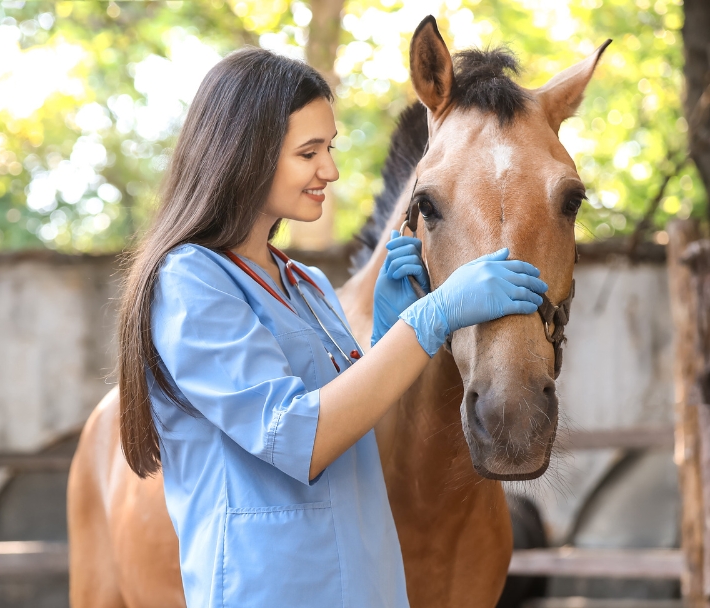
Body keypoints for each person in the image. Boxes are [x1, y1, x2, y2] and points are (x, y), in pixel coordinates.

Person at [116, 48, 547, 607]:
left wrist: (389, 328)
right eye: (308, 152)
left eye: (331, 148)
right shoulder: (191, 281)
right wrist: (432, 315)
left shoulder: (307, 285)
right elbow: (299, 439)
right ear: (246, 155)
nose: (331, 170)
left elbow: (354, 425)